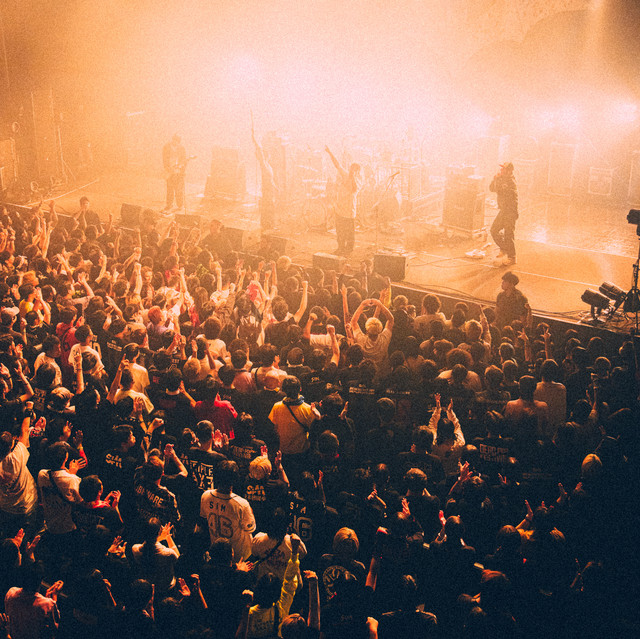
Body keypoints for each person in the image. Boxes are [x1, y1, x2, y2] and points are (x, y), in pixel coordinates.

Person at [325, 146, 362, 256]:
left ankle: (348, 250)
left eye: (354, 170)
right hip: (340, 209)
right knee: (340, 232)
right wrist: (330, 152)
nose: (351, 171)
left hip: (349, 212)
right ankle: (340, 248)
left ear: (358, 172)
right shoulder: (345, 175)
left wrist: (353, 177)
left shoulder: (358, 181)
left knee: (349, 234)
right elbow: (337, 165)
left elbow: (354, 189)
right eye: (351, 169)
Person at [489, 162, 518, 266]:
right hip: (504, 211)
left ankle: (512, 257)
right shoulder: (503, 179)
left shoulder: (510, 182)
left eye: (504, 169)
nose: (501, 170)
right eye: (501, 169)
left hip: (510, 211)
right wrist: (495, 179)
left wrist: (497, 180)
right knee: (494, 230)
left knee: (508, 234)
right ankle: (504, 248)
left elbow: (500, 190)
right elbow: (492, 189)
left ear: (509, 171)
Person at [252, 122, 278, 231]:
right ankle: (266, 225)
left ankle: (270, 225)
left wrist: (276, 187)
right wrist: (254, 138)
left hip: (270, 190)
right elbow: (259, 150)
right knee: (267, 207)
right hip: (267, 191)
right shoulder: (264, 165)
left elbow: (271, 179)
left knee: (271, 207)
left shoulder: (269, 166)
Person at [162, 134, 187, 211]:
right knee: (170, 189)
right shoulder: (166, 147)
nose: (175, 142)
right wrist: (167, 168)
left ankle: (180, 205)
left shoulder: (182, 149)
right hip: (169, 171)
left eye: (176, 141)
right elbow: (164, 159)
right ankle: (169, 204)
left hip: (178, 172)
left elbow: (184, 160)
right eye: (174, 140)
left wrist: (182, 168)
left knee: (179, 189)